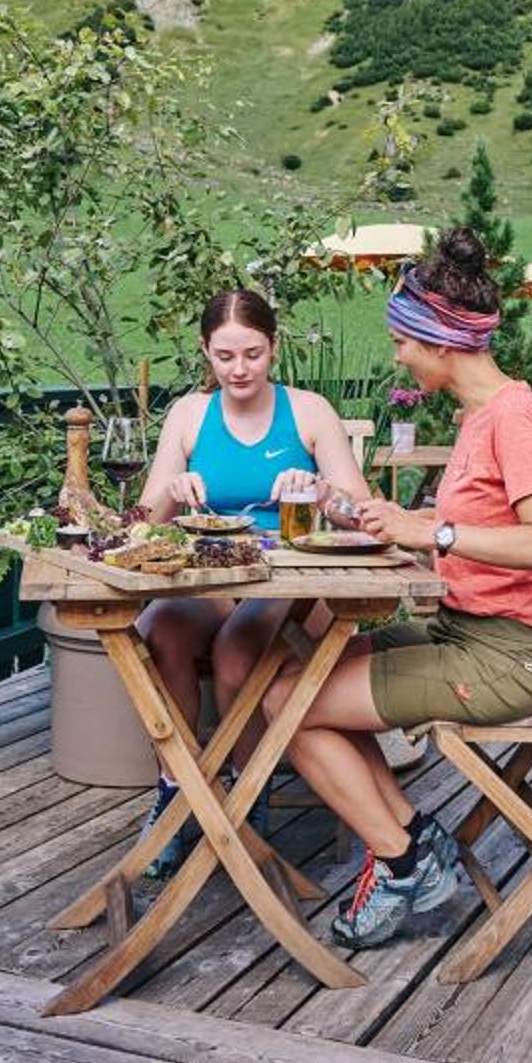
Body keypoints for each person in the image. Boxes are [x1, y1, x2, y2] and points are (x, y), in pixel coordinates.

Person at [264, 228, 532, 946]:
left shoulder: (513, 417)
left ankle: (400, 861)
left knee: (286, 706)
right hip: (461, 630)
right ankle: (412, 841)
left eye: (403, 340)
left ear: (440, 340)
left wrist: (434, 533)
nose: (399, 354)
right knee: (300, 678)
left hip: (503, 657)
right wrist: (361, 512)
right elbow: (455, 526)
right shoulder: (481, 416)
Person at [131, 289, 370, 876]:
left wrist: (321, 492)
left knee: (238, 652)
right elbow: (144, 522)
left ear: (274, 348)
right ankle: (176, 792)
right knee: (160, 630)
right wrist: (173, 491)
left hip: (291, 581)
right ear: (205, 351)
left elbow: (362, 514)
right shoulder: (189, 415)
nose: (239, 369)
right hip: (214, 573)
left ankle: (246, 794)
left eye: (253, 354)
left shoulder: (309, 411)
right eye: (225, 356)